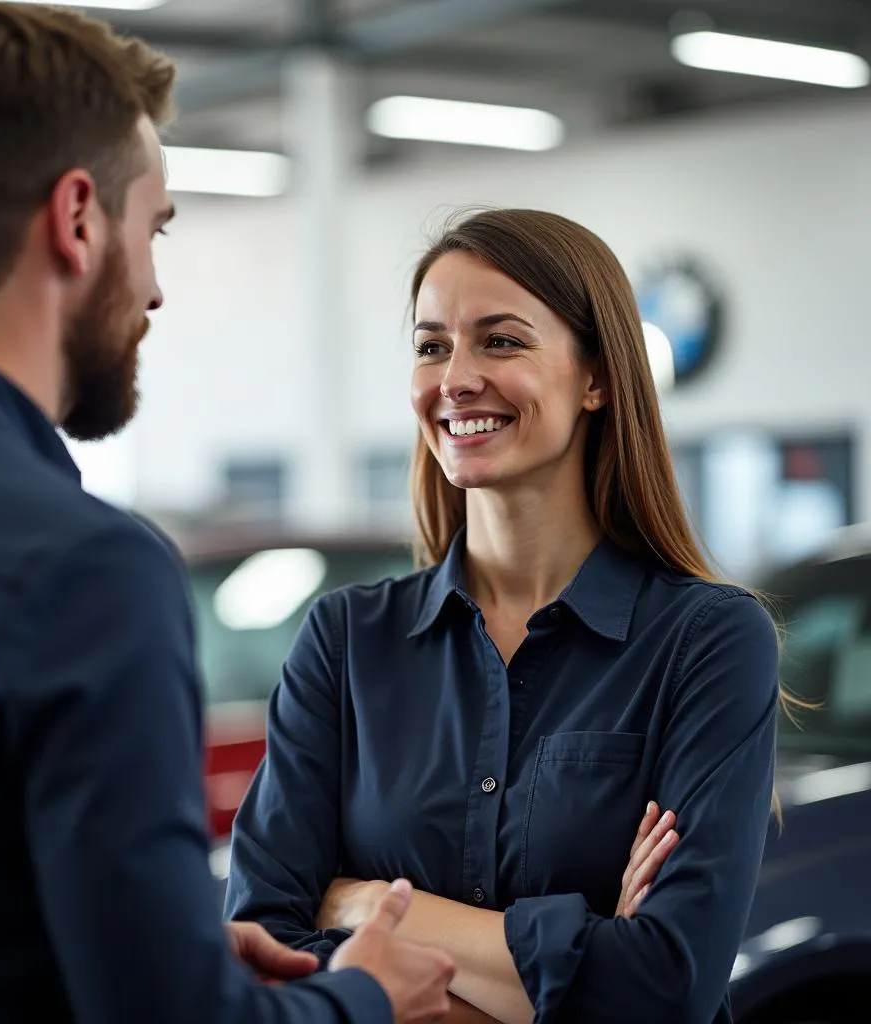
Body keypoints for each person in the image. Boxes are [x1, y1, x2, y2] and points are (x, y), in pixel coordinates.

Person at [0, 4, 457, 1022]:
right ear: (77, 218)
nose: (157, 291)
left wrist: (152, 936)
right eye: (154, 228)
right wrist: (363, 998)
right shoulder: (83, 569)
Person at [224, 209, 782, 1024]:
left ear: (596, 377)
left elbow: (668, 987)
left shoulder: (709, 642)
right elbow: (264, 953)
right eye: (430, 345)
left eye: (501, 340)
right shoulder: (345, 642)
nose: (455, 377)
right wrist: (578, 964)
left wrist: (359, 908)